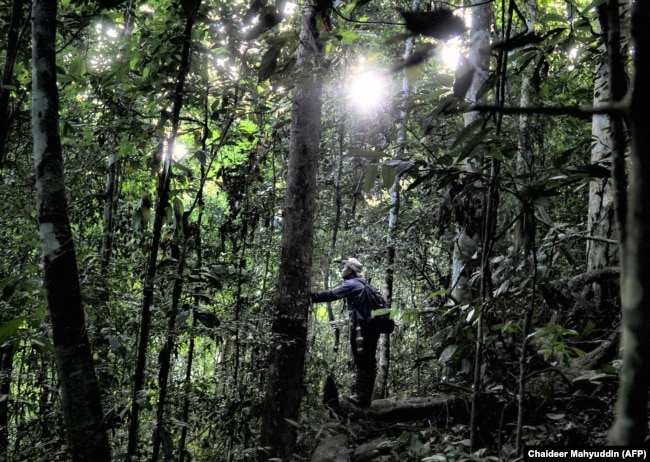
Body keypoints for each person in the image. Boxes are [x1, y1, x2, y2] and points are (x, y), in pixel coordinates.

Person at [311, 258, 380, 408]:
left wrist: (311, 297)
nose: (342, 270)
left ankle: (362, 398)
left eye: (344, 267)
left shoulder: (352, 284)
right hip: (371, 327)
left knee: (362, 359)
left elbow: (331, 294)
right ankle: (364, 397)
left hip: (362, 327)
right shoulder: (364, 284)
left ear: (350, 270)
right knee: (368, 359)